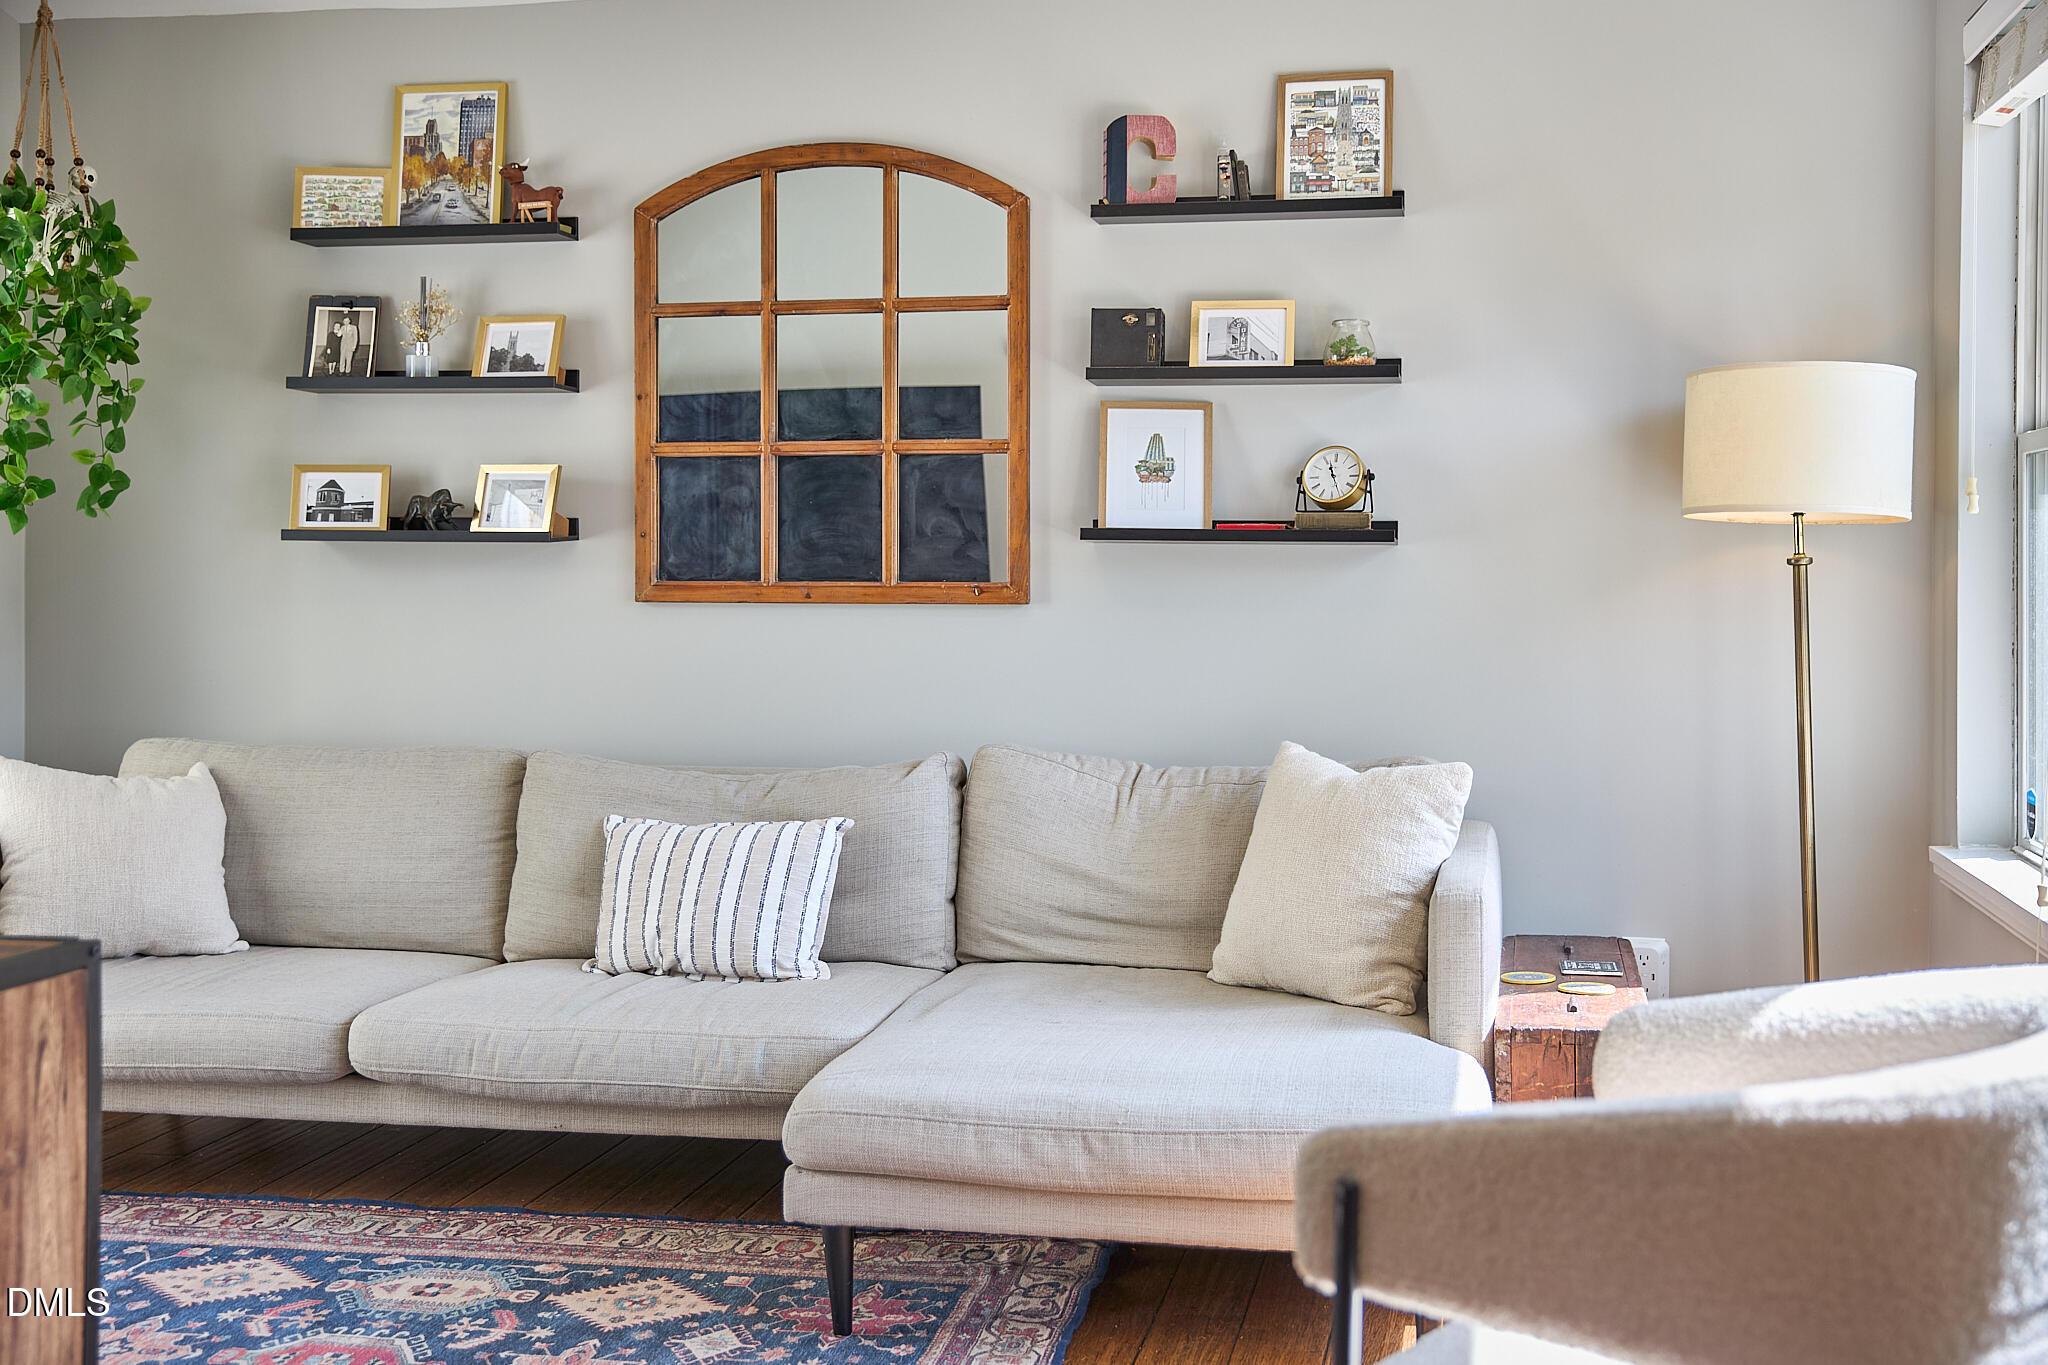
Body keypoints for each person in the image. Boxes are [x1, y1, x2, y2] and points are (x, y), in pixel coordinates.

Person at [337, 312, 360, 376]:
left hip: (350, 346)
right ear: (343, 321)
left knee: (349, 359)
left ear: (349, 321)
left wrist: (354, 346)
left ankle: (347, 371)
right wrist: (339, 330)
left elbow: (356, 337)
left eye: (347, 320)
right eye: (344, 321)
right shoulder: (342, 327)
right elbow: (339, 335)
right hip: (343, 345)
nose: (346, 322)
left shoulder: (354, 327)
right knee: (342, 358)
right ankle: (341, 371)